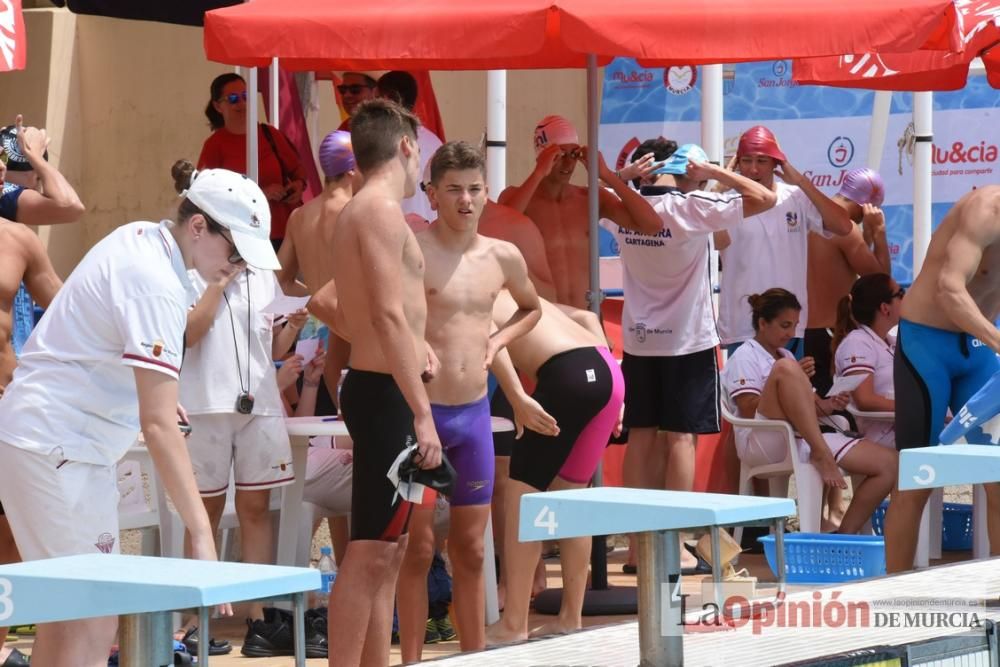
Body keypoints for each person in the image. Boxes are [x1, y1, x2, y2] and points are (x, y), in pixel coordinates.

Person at [0, 166, 280, 666]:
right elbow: (158, 425)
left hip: (53, 441)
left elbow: (95, 340)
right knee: (91, 615)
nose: (238, 265)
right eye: (236, 251)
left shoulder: (140, 238)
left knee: (69, 615)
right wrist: (202, 535)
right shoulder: (156, 282)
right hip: (57, 446)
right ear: (199, 227)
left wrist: (148, 396)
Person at [396, 141, 542, 664]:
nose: (465, 200)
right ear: (432, 194)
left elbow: (530, 308)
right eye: (454, 189)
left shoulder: (502, 255)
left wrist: (499, 342)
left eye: (474, 189)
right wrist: (414, 344)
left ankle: (475, 658)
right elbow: (380, 316)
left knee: (474, 549)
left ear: (486, 193)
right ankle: (412, 660)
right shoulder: (413, 249)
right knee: (418, 549)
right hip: (424, 417)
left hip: (474, 415)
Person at [606, 143, 778, 572]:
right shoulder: (691, 206)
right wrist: (717, 173)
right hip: (687, 341)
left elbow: (596, 192)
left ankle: (637, 545)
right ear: (687, 171)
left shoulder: (618, 207)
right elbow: (765, 197)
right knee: (681, 439)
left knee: (641, 439)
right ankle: (675, 544)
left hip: (640, 341)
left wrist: (624, 178)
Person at [314, 98, 443, 667]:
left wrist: (417, 345)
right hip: (387, 395)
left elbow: (361, 312)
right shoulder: (378, 211)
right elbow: (388, 316)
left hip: (385, 387)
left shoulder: (364, 211)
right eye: (421, 156)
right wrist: (422, 412)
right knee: (369, 552)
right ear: (406, 146)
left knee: (390, 548)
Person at [485, 291, 622, 644]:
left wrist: (517, 398)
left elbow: (489, 341)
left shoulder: (474, 292)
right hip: (608, 371)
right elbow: (588, 318)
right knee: (571, 499)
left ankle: (514, 624)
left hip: (568, 377)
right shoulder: (520, 296)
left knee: (522, 500)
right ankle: (570, 619)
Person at [883, 186, 1000, 573]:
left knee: (999, 477)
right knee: (915, 478)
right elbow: (949, 289)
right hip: (927, 346)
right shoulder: (985, 210)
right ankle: (895, 591)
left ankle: (997, 595)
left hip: (978, 351)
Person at [720, 288, 897, 535]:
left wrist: (831, 404)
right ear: (762, 323)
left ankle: (845, 535)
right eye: (784, 326)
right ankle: (821, 453)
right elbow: (748, 408)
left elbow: (811, 408)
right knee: (785, 369)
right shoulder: (746, 356)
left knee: (890, 464)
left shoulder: (786, 355)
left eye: (794, 326)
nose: (790, 334)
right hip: (763, 440)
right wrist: (785, 380)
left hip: (801, 438)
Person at [498, 115, 666, 308]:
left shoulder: (590, 198)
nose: (568, 164)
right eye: (560, 155)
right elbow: (500, 230)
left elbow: (652, 225)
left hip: (586, 316)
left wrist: (607, 175)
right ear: (542, 155)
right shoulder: (517, 198)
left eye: (574, 154)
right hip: (544, 319)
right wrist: (538, 172)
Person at [714, 125, 853, 353]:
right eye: (746, 161)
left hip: (788, 326)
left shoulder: (795, 197)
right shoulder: (724, 202)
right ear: (737, 163)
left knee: (790, 378)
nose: (753, 169)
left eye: (762, 161)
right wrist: (717, 189)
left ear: (776, 163)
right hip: (743, 325)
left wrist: (800, 181)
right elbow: (710, 238)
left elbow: (843, 226)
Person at [277, 129, 361, 415]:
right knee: (351, 425)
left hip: (313, 333)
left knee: (318, 425)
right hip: (349, 328)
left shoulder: (300, 216)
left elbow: (281, 281)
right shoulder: (356, 212)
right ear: (353, 170)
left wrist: (314, 293)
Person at [806, 167, 891, 395]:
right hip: (832, 333)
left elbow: (839, 267)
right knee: (839, 407)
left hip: (804, 332)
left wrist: (866, 238)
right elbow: (881, 284)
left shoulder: (810, 218)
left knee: (818, 407)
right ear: (866, 205)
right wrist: (879, 232)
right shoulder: (844, 227)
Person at [198, 73, 307, 247]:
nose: (242, 103)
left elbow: (298, 171)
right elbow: (206, 194)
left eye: (245, 96)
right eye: (233, 99)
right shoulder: (214, 145)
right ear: (218, 106)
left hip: (284, 231)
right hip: (241, 236)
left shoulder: (270, 134)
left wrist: (298, 186)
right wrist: (259, 194)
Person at [831, 273, 901, 448]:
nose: (906, 298)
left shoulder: (892, 342)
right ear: (885, 308)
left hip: (906, 427)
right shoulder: (857, 343)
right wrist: (918, 409)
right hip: (885, 435)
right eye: (900, 294)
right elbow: (865, 400)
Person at [376, 71, 443, 226]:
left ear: (387, 99)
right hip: (429, 228)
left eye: (376, 98)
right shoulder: (435, 141)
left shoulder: (384, 142)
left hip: (399, 229)